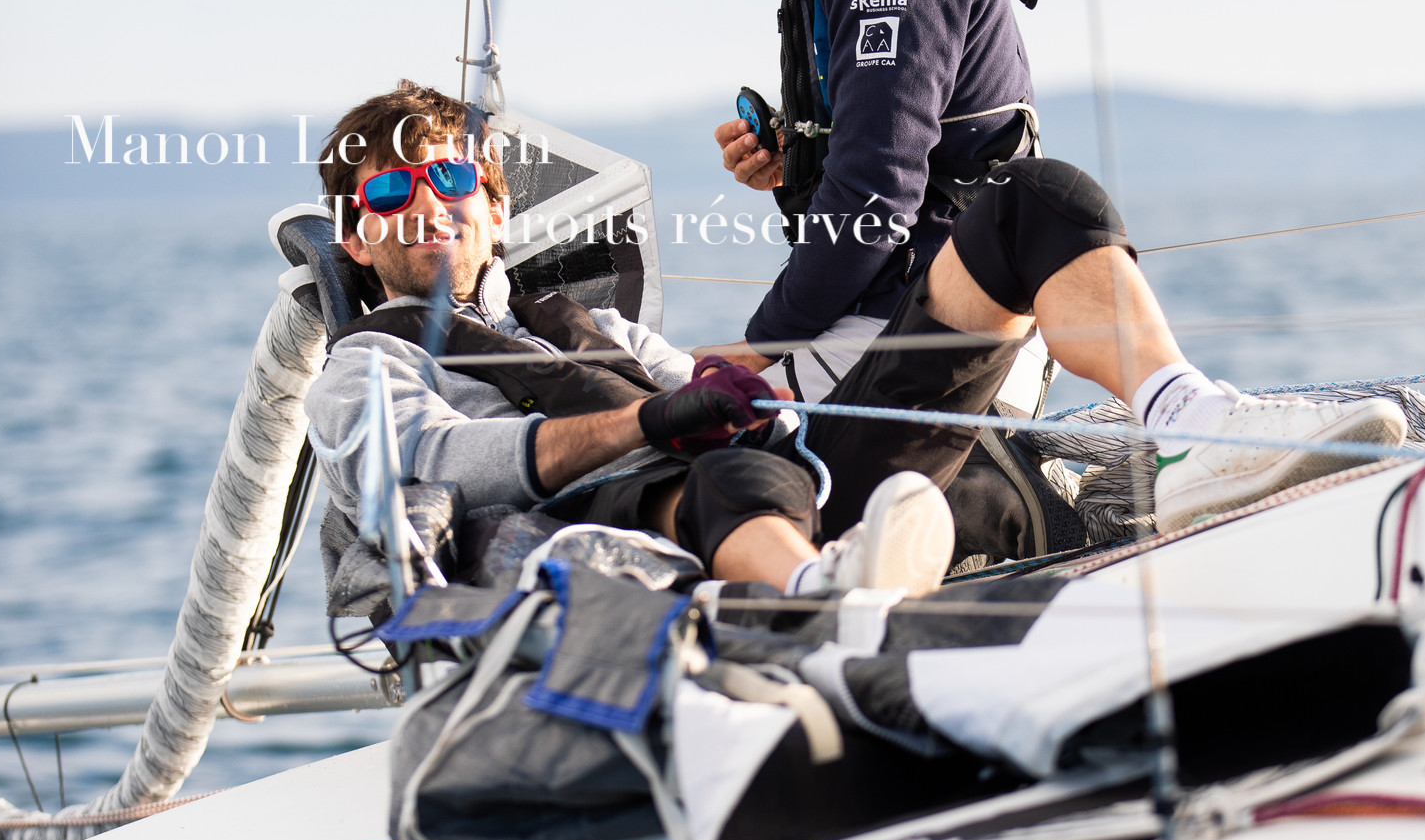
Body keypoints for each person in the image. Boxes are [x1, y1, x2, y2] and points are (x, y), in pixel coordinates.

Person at [700, 0, 1407, 529]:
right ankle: (1171, 432)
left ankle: (1180, 436)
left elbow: (879, 190)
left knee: (1035, 197)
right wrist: (797, 167)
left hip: (927, 323)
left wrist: (763, 342)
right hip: (918, 316)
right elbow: (893, 155)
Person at [304, 80, 961, 599]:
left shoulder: (597, 326)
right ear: (354, 240)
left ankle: (866, 574)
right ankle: (824, 596)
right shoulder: (364, 366)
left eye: (450, 179)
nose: (426, 205)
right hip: (586, 529)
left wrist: (756, 405)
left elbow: (708, 396)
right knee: (728, 479)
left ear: (495, 211)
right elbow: (427, 459)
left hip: (754, 491)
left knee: (985, 272)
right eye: (389, 192)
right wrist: (643, 422)